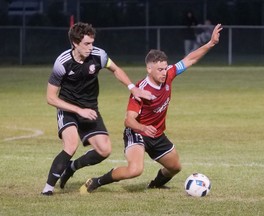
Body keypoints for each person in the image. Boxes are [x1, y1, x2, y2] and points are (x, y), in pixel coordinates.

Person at [80, 24, 223, 193]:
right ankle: (97, 181)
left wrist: (211, 43)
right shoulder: (141, 90)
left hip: (156, 133)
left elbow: (190, 59)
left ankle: (155, 185)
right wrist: (142, 128)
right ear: (149, 69)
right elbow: (129, 120)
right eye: (160, 70)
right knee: (135, 170)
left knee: (175, 167)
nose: (164, 72)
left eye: (165, 68)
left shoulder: (169, 74)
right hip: (136, 133)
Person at [41, 22, 152, 196]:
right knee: (71, 145)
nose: (91, 47)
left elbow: (115, 69)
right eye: (87, 43)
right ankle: (47, 189)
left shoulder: (98, 55)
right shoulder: (62, 63)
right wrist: (78, 111)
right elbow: (50, 98)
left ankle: (72, 167)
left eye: (92, 43)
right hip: (68, 109)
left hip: (90, 109)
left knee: (104, 150)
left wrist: (132, 87)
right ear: (75, 43)